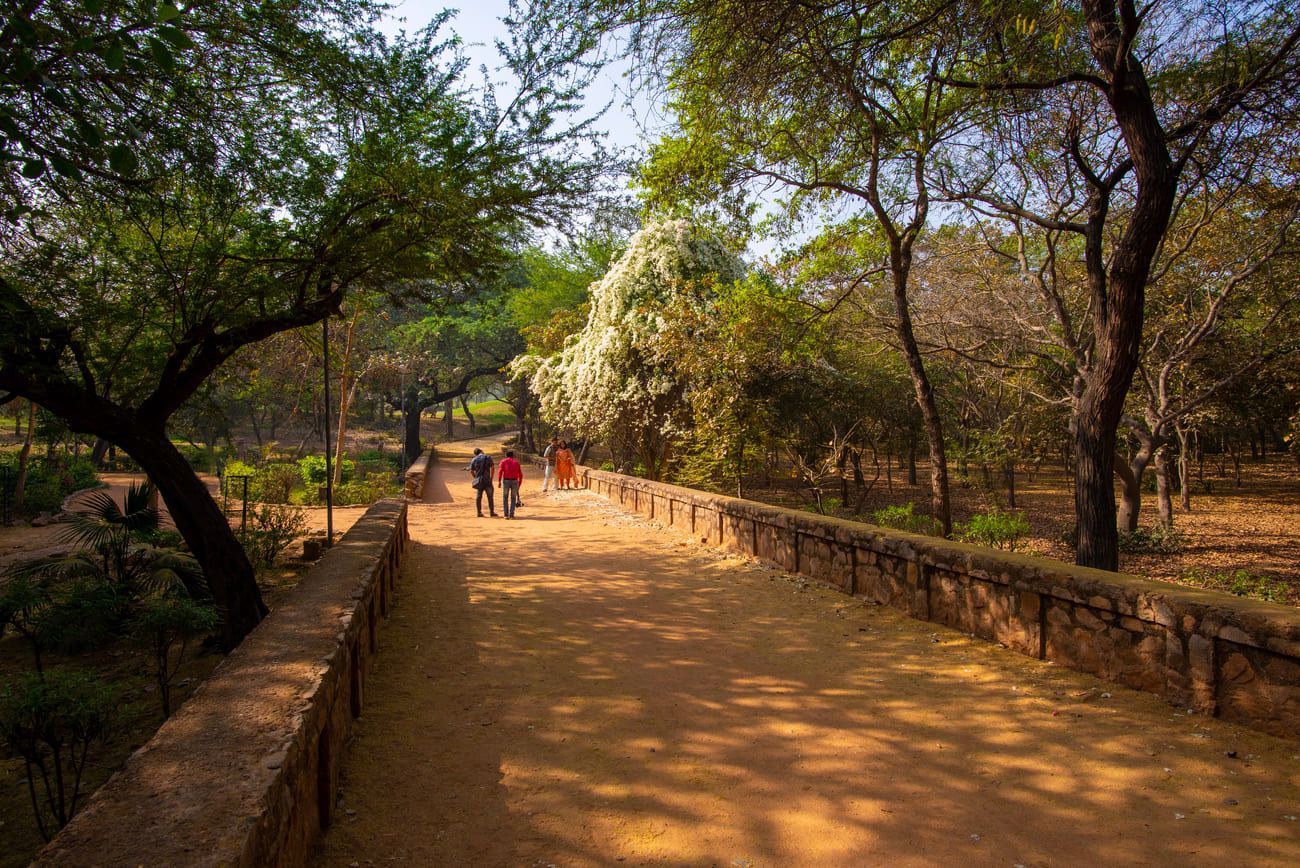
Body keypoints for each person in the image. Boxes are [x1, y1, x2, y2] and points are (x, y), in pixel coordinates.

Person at [467, 448, 497, 517]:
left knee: (479, 496)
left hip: (479, 480)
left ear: (475, 454)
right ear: (482, 451)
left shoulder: (474, 459)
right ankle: (491, 512)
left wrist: (475, 478)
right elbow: (492, 467)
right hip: (487, 479)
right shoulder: (488, 457)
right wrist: (491, 477)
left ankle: (479, 512)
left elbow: (471, 471)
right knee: (490, 496)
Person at [497, 449, 524, 518]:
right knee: (513, 498)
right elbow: (520, 474)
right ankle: (512, 514)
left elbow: (500, 472)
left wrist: (499, 481)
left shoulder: (503, 461)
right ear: (513, 456)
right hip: (515, 481)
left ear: (506, 455)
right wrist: (519, 484)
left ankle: (506, 514)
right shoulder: (516, 462)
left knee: (505, 497)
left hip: (506, 481)